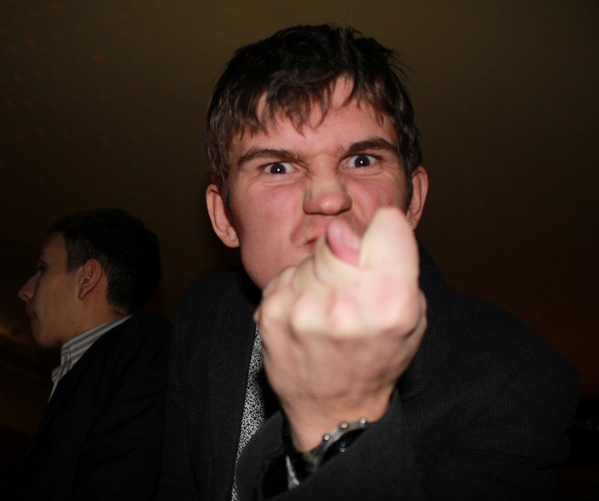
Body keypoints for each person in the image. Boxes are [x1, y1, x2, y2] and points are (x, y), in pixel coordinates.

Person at [158, 25, 577, 500]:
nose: (328, 197)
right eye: (277, 167)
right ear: (224, 217)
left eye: (362, 161)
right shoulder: (202, 312)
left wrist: (335, 423)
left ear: (413, 200)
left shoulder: (516, 378)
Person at [0, 208, 170, 500]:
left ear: (88, 277)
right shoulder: (85, 373)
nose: (25, 290)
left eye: (42, 268)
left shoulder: (147, 349)